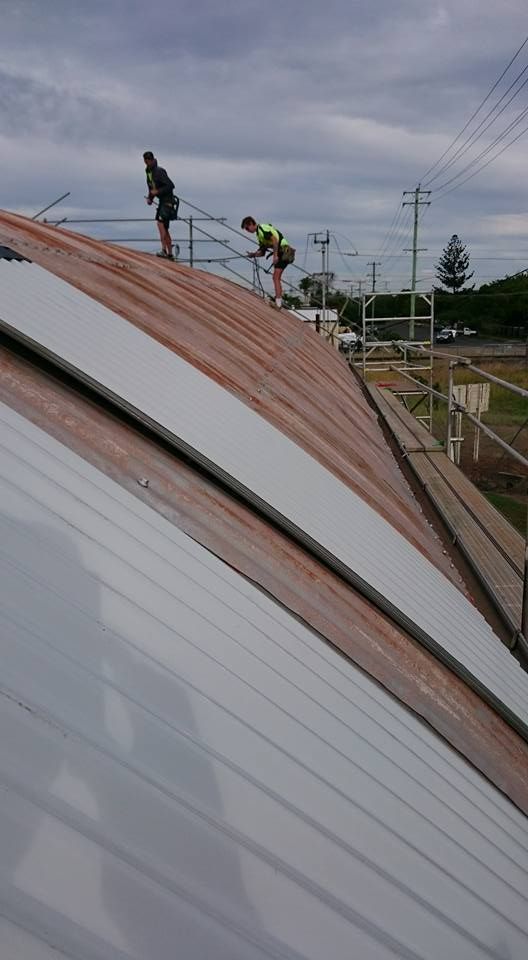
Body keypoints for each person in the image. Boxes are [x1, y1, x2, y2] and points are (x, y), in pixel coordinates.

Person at [241, 216, 295, 309]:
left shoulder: (262, 229)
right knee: (276, 277)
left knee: (276, 277)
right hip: (281, 252)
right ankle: (278, 301)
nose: (247, 230)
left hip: (284, 251)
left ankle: (278, 303)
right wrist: (253, 254)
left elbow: (275, 241)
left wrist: (275, 255)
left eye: (247, 228)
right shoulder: (259, 235)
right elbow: (262, 252)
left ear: (251, 224)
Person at [143, 151, 179, 260]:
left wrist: (157, 192)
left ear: (152, 160)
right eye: (146, 160)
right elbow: (152, 189)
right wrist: (150, 198)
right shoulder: (149, 173)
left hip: (167, 202)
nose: (147, 162)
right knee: (165, 227)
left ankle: (164, 251)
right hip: (163, 202)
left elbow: (171, 185)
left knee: (160, 223)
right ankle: (170, 254)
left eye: (149, 160)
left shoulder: (159, 171)